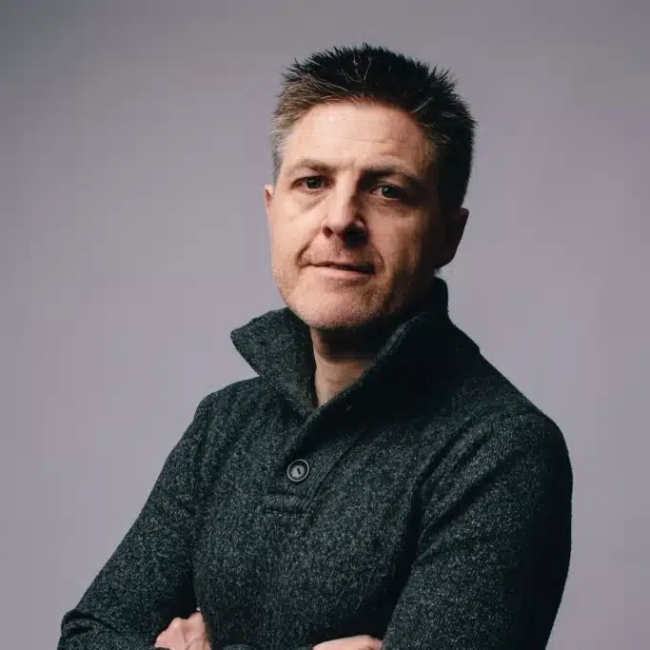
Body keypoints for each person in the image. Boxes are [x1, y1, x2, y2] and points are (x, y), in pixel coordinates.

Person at [57, 44, 573, 650]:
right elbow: (89, 637)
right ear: (273, 211)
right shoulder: (225, 422)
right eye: (312, 182)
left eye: (387, 191)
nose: (340, 219)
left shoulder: (502, 451)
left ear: (447, 235)